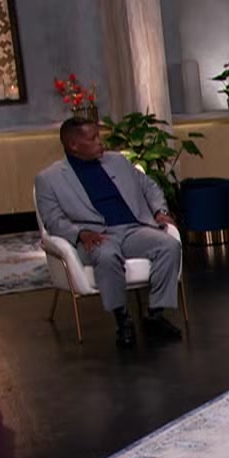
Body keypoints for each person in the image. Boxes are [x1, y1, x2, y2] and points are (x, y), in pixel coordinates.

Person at [35, 118, 186, 348]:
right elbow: (53, 219)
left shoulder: (118, 161)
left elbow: (150, 187)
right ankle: (122, 319)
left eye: (99, 136)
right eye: (93, 138)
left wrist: (160, 211)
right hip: (96, 235)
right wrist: (80, 233)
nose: (101, 142)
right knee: (106, 256)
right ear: (73, 145)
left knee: (169, 245)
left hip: (134, 228)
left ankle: (155, 315)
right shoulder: (49, 179)